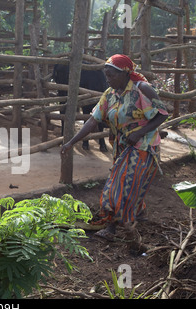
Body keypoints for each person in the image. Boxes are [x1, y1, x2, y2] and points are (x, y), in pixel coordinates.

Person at [61, 54, 169, 241]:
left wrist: (139, 132)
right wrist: (71, 142)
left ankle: (111, 226)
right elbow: (93, 120)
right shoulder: (109, 95)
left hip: (143, 146)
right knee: (129, 182)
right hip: (121, 146)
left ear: (125, 73)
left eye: (111, 75)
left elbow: (162, 114)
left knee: (118, 185)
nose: (108, 79)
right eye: (106, 76)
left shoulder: (142, 89)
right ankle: (138, 212)